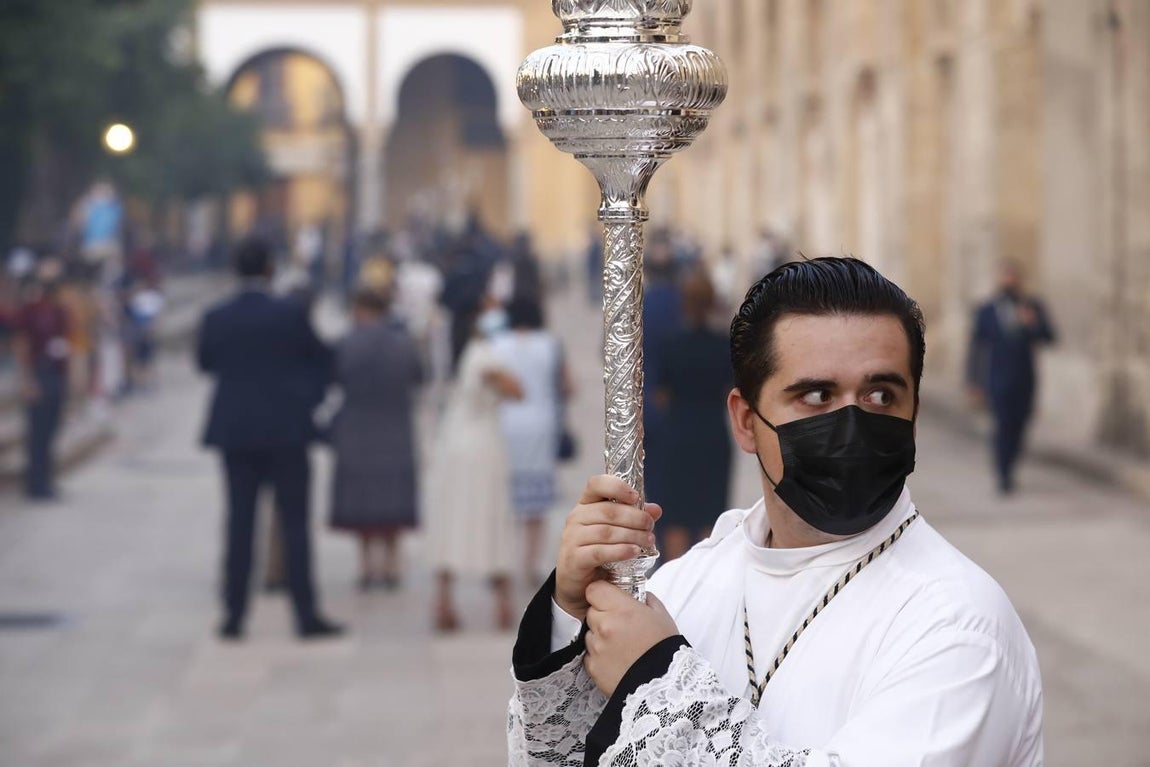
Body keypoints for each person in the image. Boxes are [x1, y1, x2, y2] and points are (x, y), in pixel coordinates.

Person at [508, 257, 1043, 766]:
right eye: (816, 396)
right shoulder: (691, 583)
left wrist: (655, 679)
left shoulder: (957, 625)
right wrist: (571, 616)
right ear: (745, 421)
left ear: (914, 414)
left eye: (881, 395)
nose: (852, 424)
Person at [196, 237, 342, 641]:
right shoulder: (291, 313)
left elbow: (205, 362)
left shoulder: (217, 315)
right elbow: (324, 362)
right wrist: (305, 399)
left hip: (236, 433)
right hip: (288, 432)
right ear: (269, 269)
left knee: (239, 524)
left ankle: (234, 615)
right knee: (295, 524)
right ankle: (306, 614)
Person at [424, 298, 524, 632]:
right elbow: (517, 390)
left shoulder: (468, 352)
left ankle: (443, 603)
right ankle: (503, 606)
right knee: (492, 520)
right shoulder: (486, 354)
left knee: (453, 521)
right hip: (482, 448)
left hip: (455, 445)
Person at [328, 288, 423, 590]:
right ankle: (392, 566)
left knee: (362, 502)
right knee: (393, 499)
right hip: (396, 430)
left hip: (356, 430)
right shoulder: (404, 344)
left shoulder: (346, 343)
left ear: (359, 309)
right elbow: (420, 377)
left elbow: (334, 378)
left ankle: (367, 567)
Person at [491, 296, 571, 586]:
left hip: (505, 425)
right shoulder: (550, 344)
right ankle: (530, 564)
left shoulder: (497, 344)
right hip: (541, 424)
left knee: (505, 500)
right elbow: (566, 385)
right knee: (535, 506)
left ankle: (503, 563)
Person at [654, 268, 732, 561]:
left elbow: (661, 396)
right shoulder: (722, 345)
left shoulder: (670, 344)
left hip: (677, 435)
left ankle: (673, 588)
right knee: (709, 513)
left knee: (675, 514)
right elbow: (729, 392)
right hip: (712, 433)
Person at [967, 260, 1057, 495]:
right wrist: (974, 383)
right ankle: (1003, 473)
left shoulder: (1032, 306)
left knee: (1020, 426)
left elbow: (1049, 337)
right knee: (1003, 425)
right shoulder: (987, 310)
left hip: (1025, 380)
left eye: (1013, 277)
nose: (1009, 281)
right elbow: (976, 349)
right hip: (997, 380)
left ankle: (1011, 464)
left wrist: (1032, 324)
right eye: (1005, 276)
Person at [13, 260, 71, 501]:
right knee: (36, 432)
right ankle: (35, 483)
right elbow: (21, 344)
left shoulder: (60, 311)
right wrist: (27, 381)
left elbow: (67, 346)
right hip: (38, 373)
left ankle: (47, 479)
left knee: (51, 430)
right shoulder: (30, 310)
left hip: (56, 374)